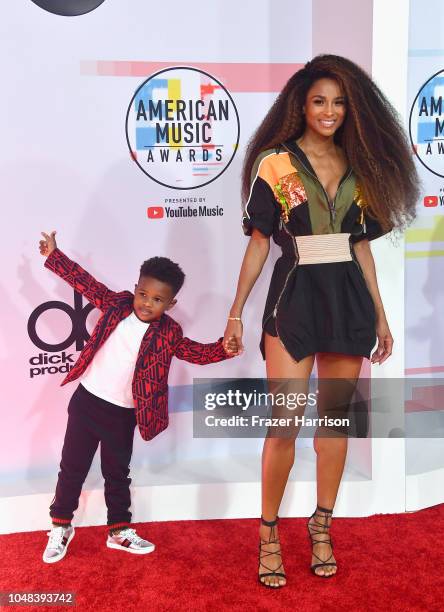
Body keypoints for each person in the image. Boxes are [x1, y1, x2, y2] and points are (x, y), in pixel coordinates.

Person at [223, 54, 419, 586]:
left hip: (348, 302)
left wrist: (380, 316)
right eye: (319, 101)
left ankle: (322, 524)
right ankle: (268, 534)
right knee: (283, 424)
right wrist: (236, 312)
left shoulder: (364, 165)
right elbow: (261, 244)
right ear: (301, 105)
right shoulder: (275, 163)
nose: (329, 111)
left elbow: (361, 251)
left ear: (350, 108)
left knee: (334, 425)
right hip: (293, 302)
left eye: (338, 102)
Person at [39, 231, 237, 563]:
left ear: (171, 304)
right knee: (71, 468)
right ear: (134, 289)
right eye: (142, 294)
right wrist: (54, 255)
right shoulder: (116, 305)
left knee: (117, 473)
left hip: (123, 414)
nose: (146, 303)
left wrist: (223, 350)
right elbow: (86, 284)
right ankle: (61, 525)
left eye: (157, 299)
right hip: (87, 402)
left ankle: (118, 531)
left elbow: (195, 353)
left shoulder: (170, 333)